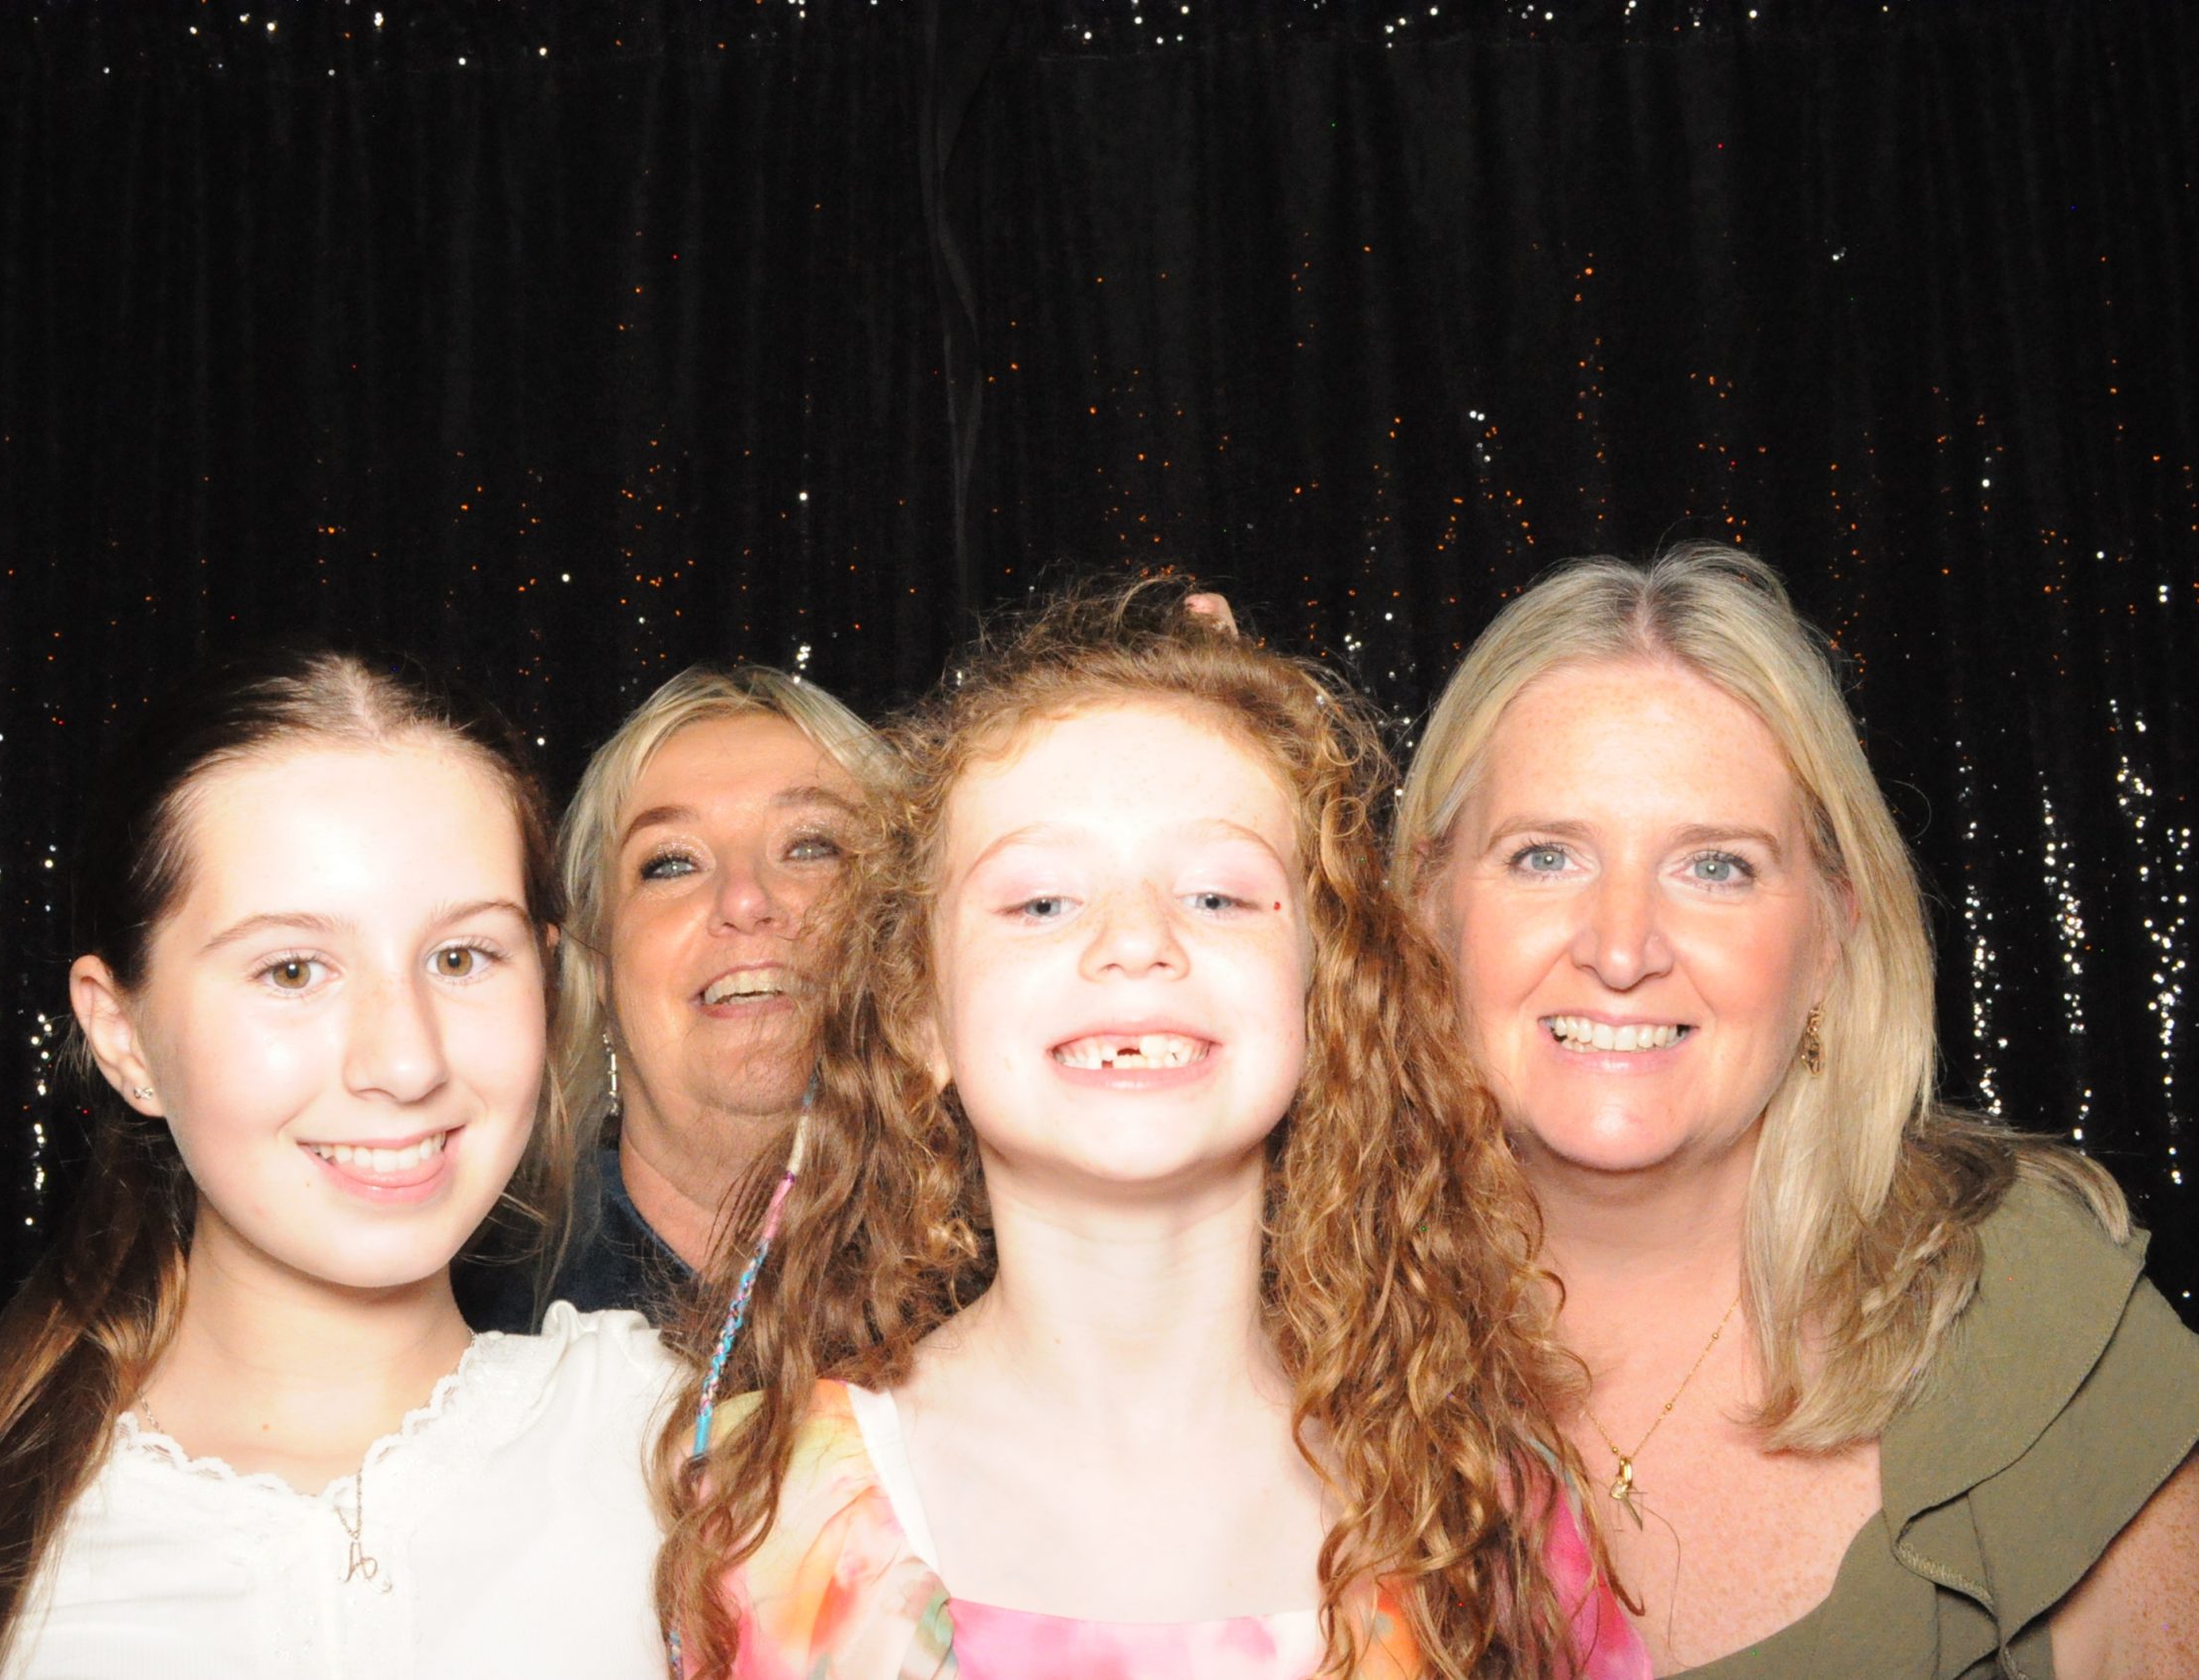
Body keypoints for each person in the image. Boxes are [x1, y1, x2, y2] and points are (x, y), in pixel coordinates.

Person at [657, 580, 1649, 1680]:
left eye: (1218, 897)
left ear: (1325, 998)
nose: (1136, 942)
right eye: (1041, 903)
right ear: (919, 1013)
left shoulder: (1478, 1507)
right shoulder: (766, 1507)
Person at [1390, 543, 2199, 1678]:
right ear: (1428, 907)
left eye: (1715, 867)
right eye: (1544, 855)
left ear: (1831, 933)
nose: (1621, 949)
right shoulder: (1290, 1334)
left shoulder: (2035, 1329)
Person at [0, 648, 677, 1680]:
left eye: (461, 957)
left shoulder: (694, 1459)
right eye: (291, 970)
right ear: (122, 1037)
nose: (406, 1061)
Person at [467, 666, 886, 1331]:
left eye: (812, 847)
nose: (745, 899)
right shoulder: (474, 1323)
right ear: (596, 962)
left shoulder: (1028, 1282)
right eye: (672, 863)